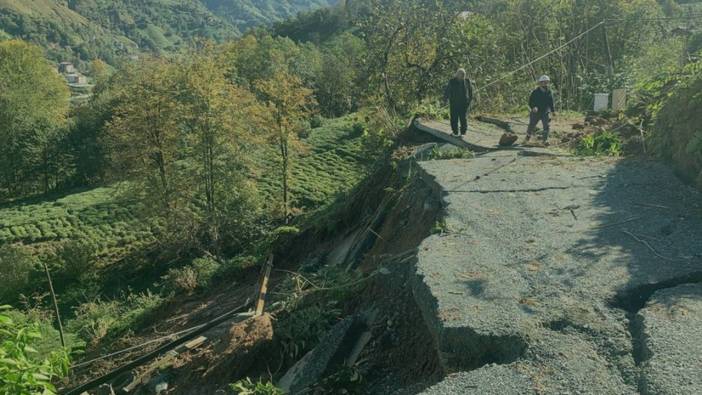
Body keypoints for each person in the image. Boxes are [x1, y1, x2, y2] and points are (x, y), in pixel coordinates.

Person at [526, 75, 556, 144]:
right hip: (535, 112)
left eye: (547, 82)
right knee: (531, 125)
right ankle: (527, 138)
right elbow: (530, 102)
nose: (545, 84)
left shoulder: (549, 92)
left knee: (546, 126)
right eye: (544, 82)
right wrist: (533, 107)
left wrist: (553, 111)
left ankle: (545, 140)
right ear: (540, 83)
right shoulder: (535, 92)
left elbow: (551, 102)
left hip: (545, 112)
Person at [444, 68, 473, 137]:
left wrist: (469, 100)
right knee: (454, 118)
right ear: (457, 74)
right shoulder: (452, 81)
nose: (462, 76)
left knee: (463, 118)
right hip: (454, 103)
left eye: (463, 74)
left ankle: (463, 132)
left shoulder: (467, 81)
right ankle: (455, 132)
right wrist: (445, 99)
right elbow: (447, 91)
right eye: (460, 74)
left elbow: (471, 91)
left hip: (464, 103)